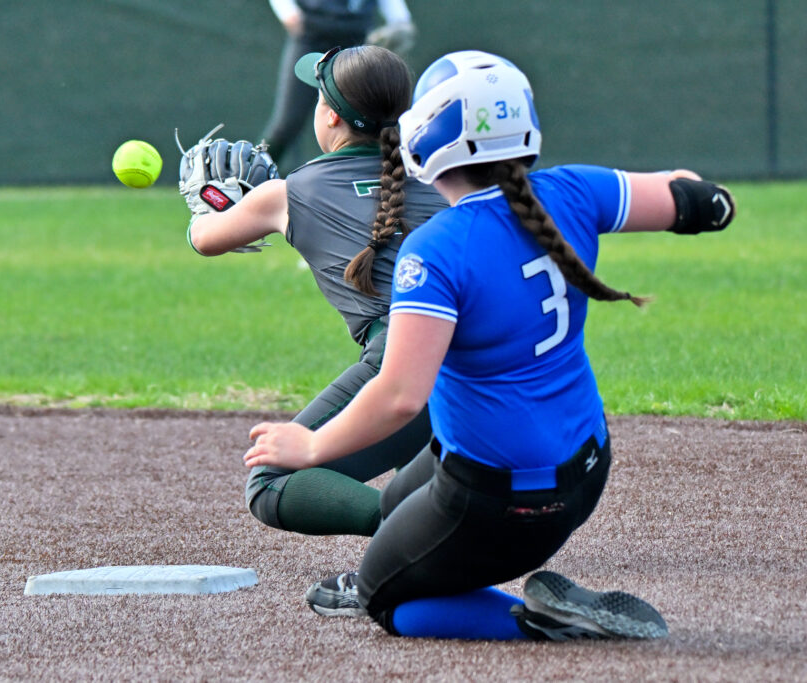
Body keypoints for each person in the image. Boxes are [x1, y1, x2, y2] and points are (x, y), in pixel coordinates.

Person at [243, 50, 736, 640]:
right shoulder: (573, 191)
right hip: (585, 465)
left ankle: (540, 621)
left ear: (427, 137)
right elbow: (694, 200)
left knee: (383, 601)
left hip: (507, 503)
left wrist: (313, 444)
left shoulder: (437, 249)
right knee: (401, 498)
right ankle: (423, 561)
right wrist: (710, 201)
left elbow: (400, 397)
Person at [186, 46, 448, 537]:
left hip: (406, 359)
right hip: (490, 361)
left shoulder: (289, 192)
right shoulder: (445, 176)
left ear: (329, 116)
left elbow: (205, 239)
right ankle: (449, 512)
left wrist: (209, 200)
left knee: (272, 481)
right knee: (422, 447)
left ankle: (419, 532)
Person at [261, 0, 416, 171]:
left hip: (355, 45)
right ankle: (255, 172)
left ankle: (370, 177)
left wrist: (400, 22)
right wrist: (287, 11)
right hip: (312, 37)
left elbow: (399, 18)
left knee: (362, 125)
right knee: (287, 123)